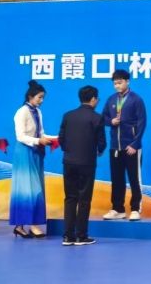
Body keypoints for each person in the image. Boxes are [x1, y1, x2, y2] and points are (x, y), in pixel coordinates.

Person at [58, 85, 106, 246]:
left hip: (69, 162)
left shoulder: (68, 116)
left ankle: (67, 236)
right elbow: (102, 143)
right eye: (97, 99)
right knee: (84, 199)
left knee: (70, 198)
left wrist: (70, 151)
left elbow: (61, 139)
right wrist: (99, 150)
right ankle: (81, 236)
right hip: (87, 163)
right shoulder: (97, 118)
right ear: (93, 99)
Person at [102, 70, 147, 221]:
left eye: (120, 82)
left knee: (134, 179)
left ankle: (135, 209)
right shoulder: (111, 99)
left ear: (127, 81)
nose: (117, 86)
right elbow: (103, 118)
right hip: (115, 147)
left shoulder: (136, 99)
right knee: (116, 179)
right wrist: (111, 121)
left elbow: (142, 123)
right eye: (115, 83)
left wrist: (135, 143)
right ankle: (117, 209)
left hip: (131, 147)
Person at [9, 80, 52, 238]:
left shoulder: (37, 112)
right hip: (24, 152)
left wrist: (53, 138)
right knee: (27, 189)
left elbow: (41, 133)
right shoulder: (22, 112)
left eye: (43, 97)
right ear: (30, 97)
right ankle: (32, 225)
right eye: (39, 97)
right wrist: (38, 141)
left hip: (36, 152)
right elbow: (20, 136)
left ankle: (20, 226)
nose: (42, 100)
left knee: (35, 188)